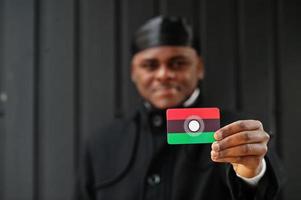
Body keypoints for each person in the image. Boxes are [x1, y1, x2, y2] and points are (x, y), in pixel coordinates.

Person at [76, 16, 284, 200]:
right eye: (150, 65)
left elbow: (270, 192)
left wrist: (253, 173)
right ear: (133, 72)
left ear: (199, 67)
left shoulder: (238, 131)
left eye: (178, 63)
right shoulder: (102, 144)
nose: (163, 74)